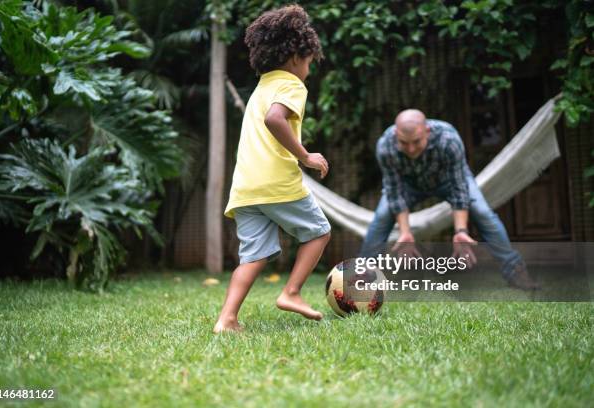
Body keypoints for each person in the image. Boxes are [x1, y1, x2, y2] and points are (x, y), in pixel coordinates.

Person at [214, 5, 331, 333]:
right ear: (296, 56)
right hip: (276, 182)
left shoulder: (261, 88)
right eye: (309, 61)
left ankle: (227, 319)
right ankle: (291, 292)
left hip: (246, 188)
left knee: (252, 257)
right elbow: (275, 119)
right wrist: (305, 156)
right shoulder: (292, 85)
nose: (308, 69)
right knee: (319, 232)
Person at [360, 109, 540, 290]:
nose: (411, 149)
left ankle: (516, 272)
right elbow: (394, 193)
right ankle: (361, 277)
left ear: (427, 132)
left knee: (484, 213)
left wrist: (460, 230)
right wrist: (405, 233)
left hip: (449, 180)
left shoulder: (449, 139)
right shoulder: (385, 146)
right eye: (404, 143)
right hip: (409, 186)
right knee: (382, 217)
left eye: (416, 142)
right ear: (395, 134)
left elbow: (459, 188)